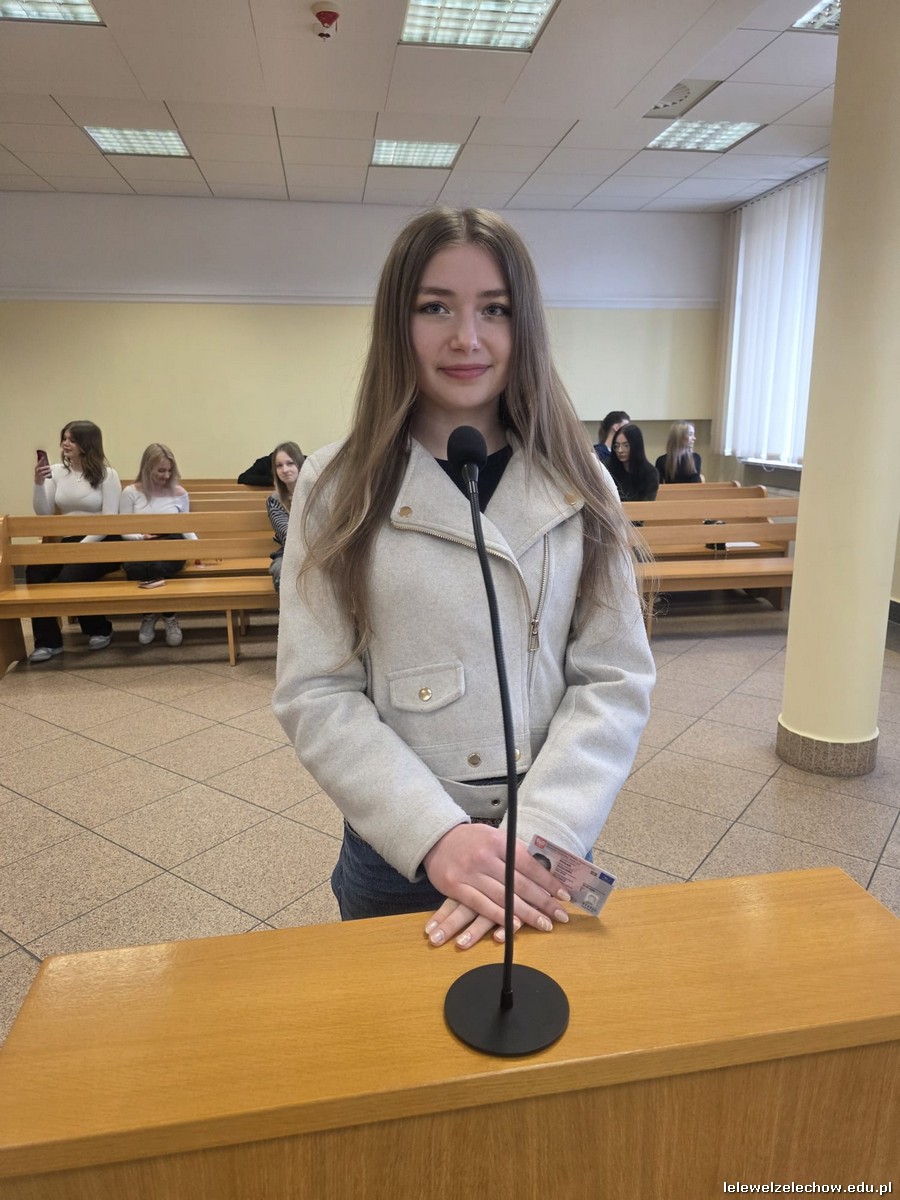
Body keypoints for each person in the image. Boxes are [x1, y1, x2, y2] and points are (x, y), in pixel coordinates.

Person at [273, 207, 655, 953]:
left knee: (541, 1021)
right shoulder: (335, 483)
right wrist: (437, 836)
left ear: (525, 325)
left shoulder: (582, 480)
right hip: (403, 849)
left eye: (495, 310)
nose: (466, 338)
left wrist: (541, 830)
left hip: (543, 845)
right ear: (398, 322)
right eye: (435, 307)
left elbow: (614, 677)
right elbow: (316, 689)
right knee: (396, 1025)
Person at [27, 420, 122, 662]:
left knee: (70, 576)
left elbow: (110, 520)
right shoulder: (57, 472)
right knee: (35, 572)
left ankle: (100, 628)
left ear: (87, 443)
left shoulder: (107, 475)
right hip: (68, 541)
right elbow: (44, 513)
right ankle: (48, 642)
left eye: (72, 439)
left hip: (102, 541)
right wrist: (38, 484)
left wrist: (80, 549)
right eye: (64, 438)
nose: (65, 444)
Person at [119, 444, 197, 647]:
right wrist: (140, 537)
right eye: (161, 470)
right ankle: (155, 614)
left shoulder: (179, 493)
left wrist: (198, 548)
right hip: (139, 544)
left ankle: (163, 615)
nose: (166, 475)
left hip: (171, 542)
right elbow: (123, 530)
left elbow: (185, 526)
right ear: (147, 468)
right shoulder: (130, 492)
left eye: (169, 470)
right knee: (138, 567)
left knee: (157, 565)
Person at [267, 442, 305, 593]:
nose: (285, 470)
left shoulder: (316, 494)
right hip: (289, 553)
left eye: (290, 463)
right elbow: (286, 536)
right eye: (279, 465)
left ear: (300, 464)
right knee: (282, 569)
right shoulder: (275, 500)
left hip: (319, 550)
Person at [606, 424, 659, 503]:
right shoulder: (607, 468)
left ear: (636, 447)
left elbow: (647, 505)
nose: (620, 450)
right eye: (616, 446)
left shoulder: (650, 473)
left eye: (626, 445)